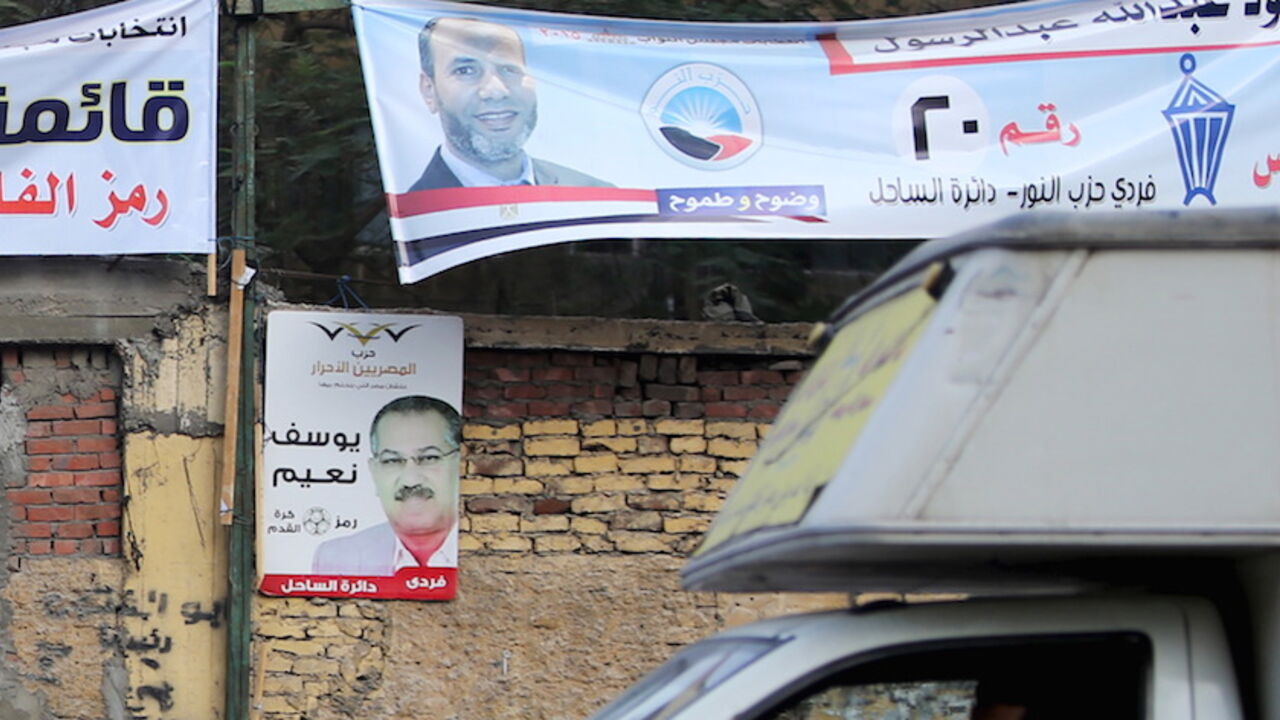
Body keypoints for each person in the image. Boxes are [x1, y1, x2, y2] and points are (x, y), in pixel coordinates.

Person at [409, 17, 612, 191]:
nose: (496, 91)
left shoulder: (597, 196)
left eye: (509, 69)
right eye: (466, 71)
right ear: (429, 90)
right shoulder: (405, 219)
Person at [312, 395, 461, 575]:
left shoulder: (486, 552)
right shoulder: (338, 559)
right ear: (374, 473)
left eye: (429, 458)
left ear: (460, 463)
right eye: (392, 461)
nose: (410, 480)